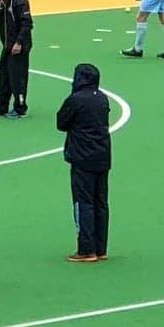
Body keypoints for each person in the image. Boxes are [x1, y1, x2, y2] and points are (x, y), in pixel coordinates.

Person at [58, 63, 111, 262]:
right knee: (101, 202)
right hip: (103, 156)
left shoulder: (75, 100)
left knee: (83, 203)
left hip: (82, 157)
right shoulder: (102, 98)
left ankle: (86, 249)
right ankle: (100, 247)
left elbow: (61, 122)